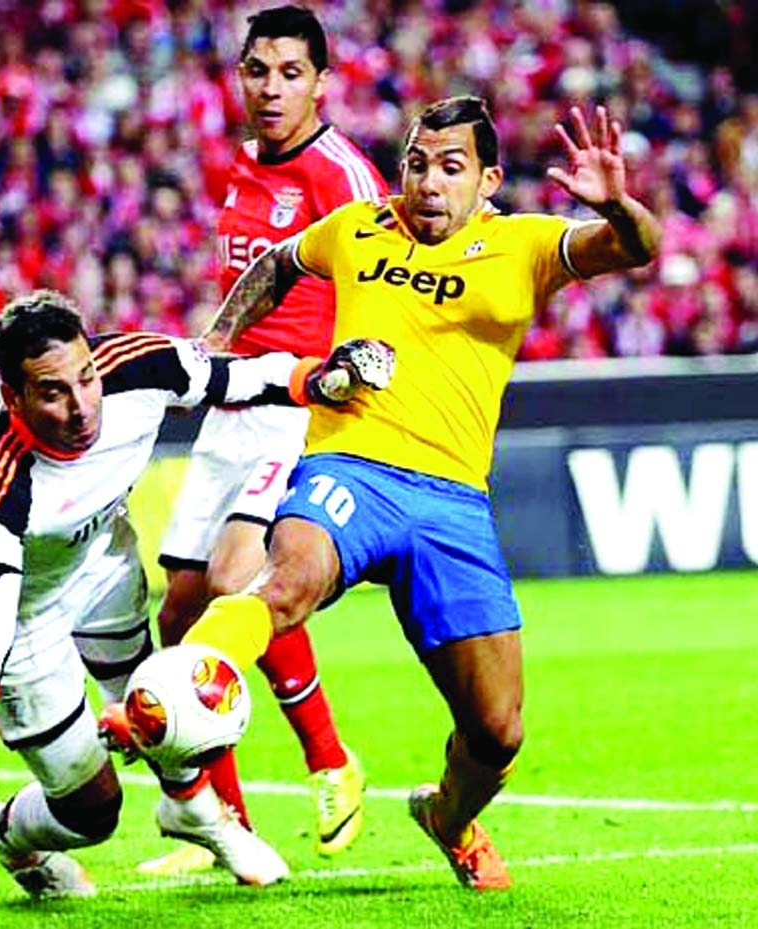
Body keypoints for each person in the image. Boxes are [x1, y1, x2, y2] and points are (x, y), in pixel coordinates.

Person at [174, 97, 662, 890]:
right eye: (417, 163)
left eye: (450, 167)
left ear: (488, 180)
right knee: (285, 582)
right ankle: (179, 689)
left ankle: (448, 816)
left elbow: (638, 248)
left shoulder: (523, 244)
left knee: (498, 730)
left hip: (453, 504)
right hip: (350, 468)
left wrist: (616, 204)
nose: (428, 182)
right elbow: (275, 265)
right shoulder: (359, 227)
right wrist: (215, 343)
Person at [0, 290, 393, 897]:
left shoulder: (137, 364)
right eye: (52, 392)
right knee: (94, 812)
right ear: (12, 399)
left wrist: (324, 378)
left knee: (158, 696)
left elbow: (242, 377)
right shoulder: (0, 482)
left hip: (99, 556)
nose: (80, 407)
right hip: (14, 612)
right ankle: (10, 835)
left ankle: (196, 814)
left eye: (86, 378)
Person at [147, 4, 388, 875]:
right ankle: (222, 826)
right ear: (239, 77)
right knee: (176, 613)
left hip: (299, 403)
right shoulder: (245, 164)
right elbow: (246, 284)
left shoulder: (341, 173)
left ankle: (332, 761)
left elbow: (384, 287)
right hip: (231, 405)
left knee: (233, 585)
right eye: (259, 71)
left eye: (291, 72)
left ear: (323, 82)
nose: (272, 87)